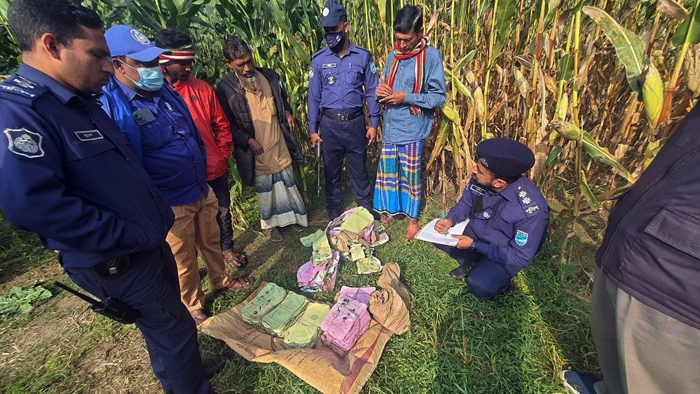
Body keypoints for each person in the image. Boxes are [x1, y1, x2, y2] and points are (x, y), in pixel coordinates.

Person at [0, 1, 216, 392]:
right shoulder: (21, 113)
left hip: (147, 243)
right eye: (97, 55)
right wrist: (128, 234)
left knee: (169, 328)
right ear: (51, 45)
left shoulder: (79, 102)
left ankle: (188, 374)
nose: (107, 66)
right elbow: (32, 205)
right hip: (120, 256)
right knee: (173, 326)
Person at [99, 25, 253, 325]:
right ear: (119, 65)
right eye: (143, 64)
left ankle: (220, 281)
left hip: (199, 186)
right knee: (182, 256)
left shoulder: (164, 93)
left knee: (210, 240)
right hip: (170, 199)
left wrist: (214, 162)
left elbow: (194, 133)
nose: (152, 68)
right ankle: (193, 303)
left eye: (153, 61)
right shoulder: (114, 107)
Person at [561, 103, 700, 394]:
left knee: (660, 375)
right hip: (641, 248)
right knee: (621, 356)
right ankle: (609, 387)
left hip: (678, 272)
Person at [154, 28, 247, 269]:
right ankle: (192, 265)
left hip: (213, 167)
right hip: (179, 177)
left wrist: (222, 155)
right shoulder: (152, 95)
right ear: (164, 61)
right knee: (183, 224)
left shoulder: (202, 89)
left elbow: (222, 125)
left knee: (222, 211)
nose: (189, 68)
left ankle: (226, 249)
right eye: (183, 64)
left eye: (190, 63)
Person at [215, 36, 307, 242]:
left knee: (286, 180)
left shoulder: (269, 75)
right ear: (229, 64)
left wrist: (288, 113)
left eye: (249, 61)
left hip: (277, 138)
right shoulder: (224, 88)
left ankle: (293, 218)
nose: (247, 68)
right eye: (241, 64)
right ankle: (273, 225)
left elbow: (282, 100)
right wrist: (247, 140)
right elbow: (226, 124)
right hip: (256, 146)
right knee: (266, 189)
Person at [433, 138, 549, 299]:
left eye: (480, 171)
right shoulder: (482, 180)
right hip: (479, 232)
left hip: (505, 248)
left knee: (479, 286)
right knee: (437, 236)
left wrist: (474, 245)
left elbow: (520, 255)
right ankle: (477, 261)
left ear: (499, 183)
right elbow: (466, 203)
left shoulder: (531, 210)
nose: (473, 170)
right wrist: (450, 220)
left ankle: (494, 275)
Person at [374, 5, 447, 240]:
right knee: (389, 172)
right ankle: (393, 210)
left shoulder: (431, 57)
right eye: (398, 39)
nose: (402, 45)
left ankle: (413, 218)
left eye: (407, 39)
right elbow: (386, 86)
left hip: (414, 125)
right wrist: (381, 91)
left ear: (420, 33)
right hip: (392, 124)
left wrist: (407, 97)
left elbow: (438, 97)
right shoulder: (393, 55)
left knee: (410, 175)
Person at [308, 0, 381, 221]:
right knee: (332, 171)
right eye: (327, 30)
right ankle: (334, 211)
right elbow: (314, 96)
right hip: (329, 124)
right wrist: (313, 128)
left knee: (359, 169)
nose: (331, 34)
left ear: (346, 26)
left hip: (355, 122)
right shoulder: (319, 60)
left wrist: (374, 123)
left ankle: (365, 209)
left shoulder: (362, 57)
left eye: (334, 29)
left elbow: (372, 91)